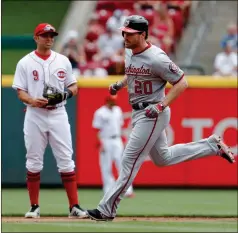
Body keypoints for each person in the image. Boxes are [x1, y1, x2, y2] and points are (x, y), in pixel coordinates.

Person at [86, 15, 235, 221]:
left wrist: (161, 105)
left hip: (153, 112)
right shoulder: (130, 52)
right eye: (124, 32)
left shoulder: (157, 57)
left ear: (143, 34)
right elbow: (133, 73)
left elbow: (182, 82)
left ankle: (106, 209)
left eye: (130, 33)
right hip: (139, 111)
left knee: (129, 159)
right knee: (162, 158)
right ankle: (211, 145)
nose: (125, 36)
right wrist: (120, 85)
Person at [12, 23, 87, 219]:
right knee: (34, 160)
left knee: (66, 160)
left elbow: (74, 86)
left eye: (52, 35)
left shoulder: (62, 60)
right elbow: (20, 91)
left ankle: (74, 207)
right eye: (45, 35)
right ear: (36, 38)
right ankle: (34, 207)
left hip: (58, 113)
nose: (49, 38)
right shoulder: (25, 62)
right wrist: (32, 100)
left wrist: (64, 95)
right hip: (35, 114)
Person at [92, 95, 135, 197]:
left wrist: (121, 140)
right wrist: (100, 143)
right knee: (106, 167)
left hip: (117, 140)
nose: (114, 103)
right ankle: (109, 191)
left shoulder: (117, 110)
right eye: (112, 101)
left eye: (114, 101)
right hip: (106, 140)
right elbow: (97, 129)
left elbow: (120, 126)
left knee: (122, 165)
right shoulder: (100, 112)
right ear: (107, 101)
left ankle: (127, 190)